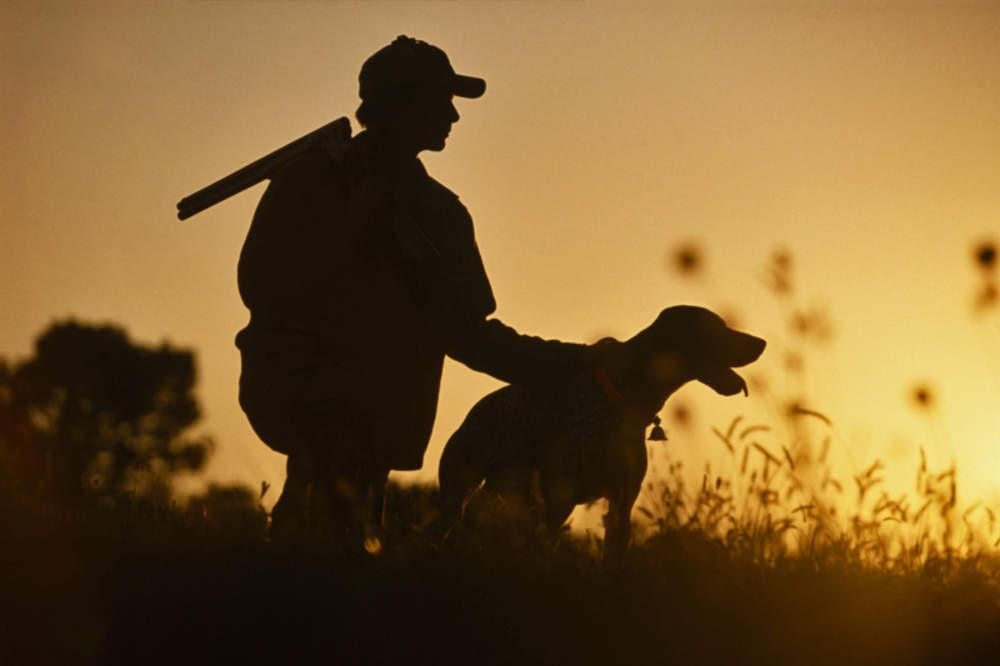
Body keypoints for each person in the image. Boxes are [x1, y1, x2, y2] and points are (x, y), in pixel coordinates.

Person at [235, 35, 607, 548]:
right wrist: (356, 225)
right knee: (328, 532)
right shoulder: (311, 181)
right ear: (400, 103)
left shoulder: (440, 214)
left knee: (346, 544)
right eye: (440, 101)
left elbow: (467, 334)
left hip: (377, 413)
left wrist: (576, 363)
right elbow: (261, 283)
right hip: (308, 390)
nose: (453, 117)